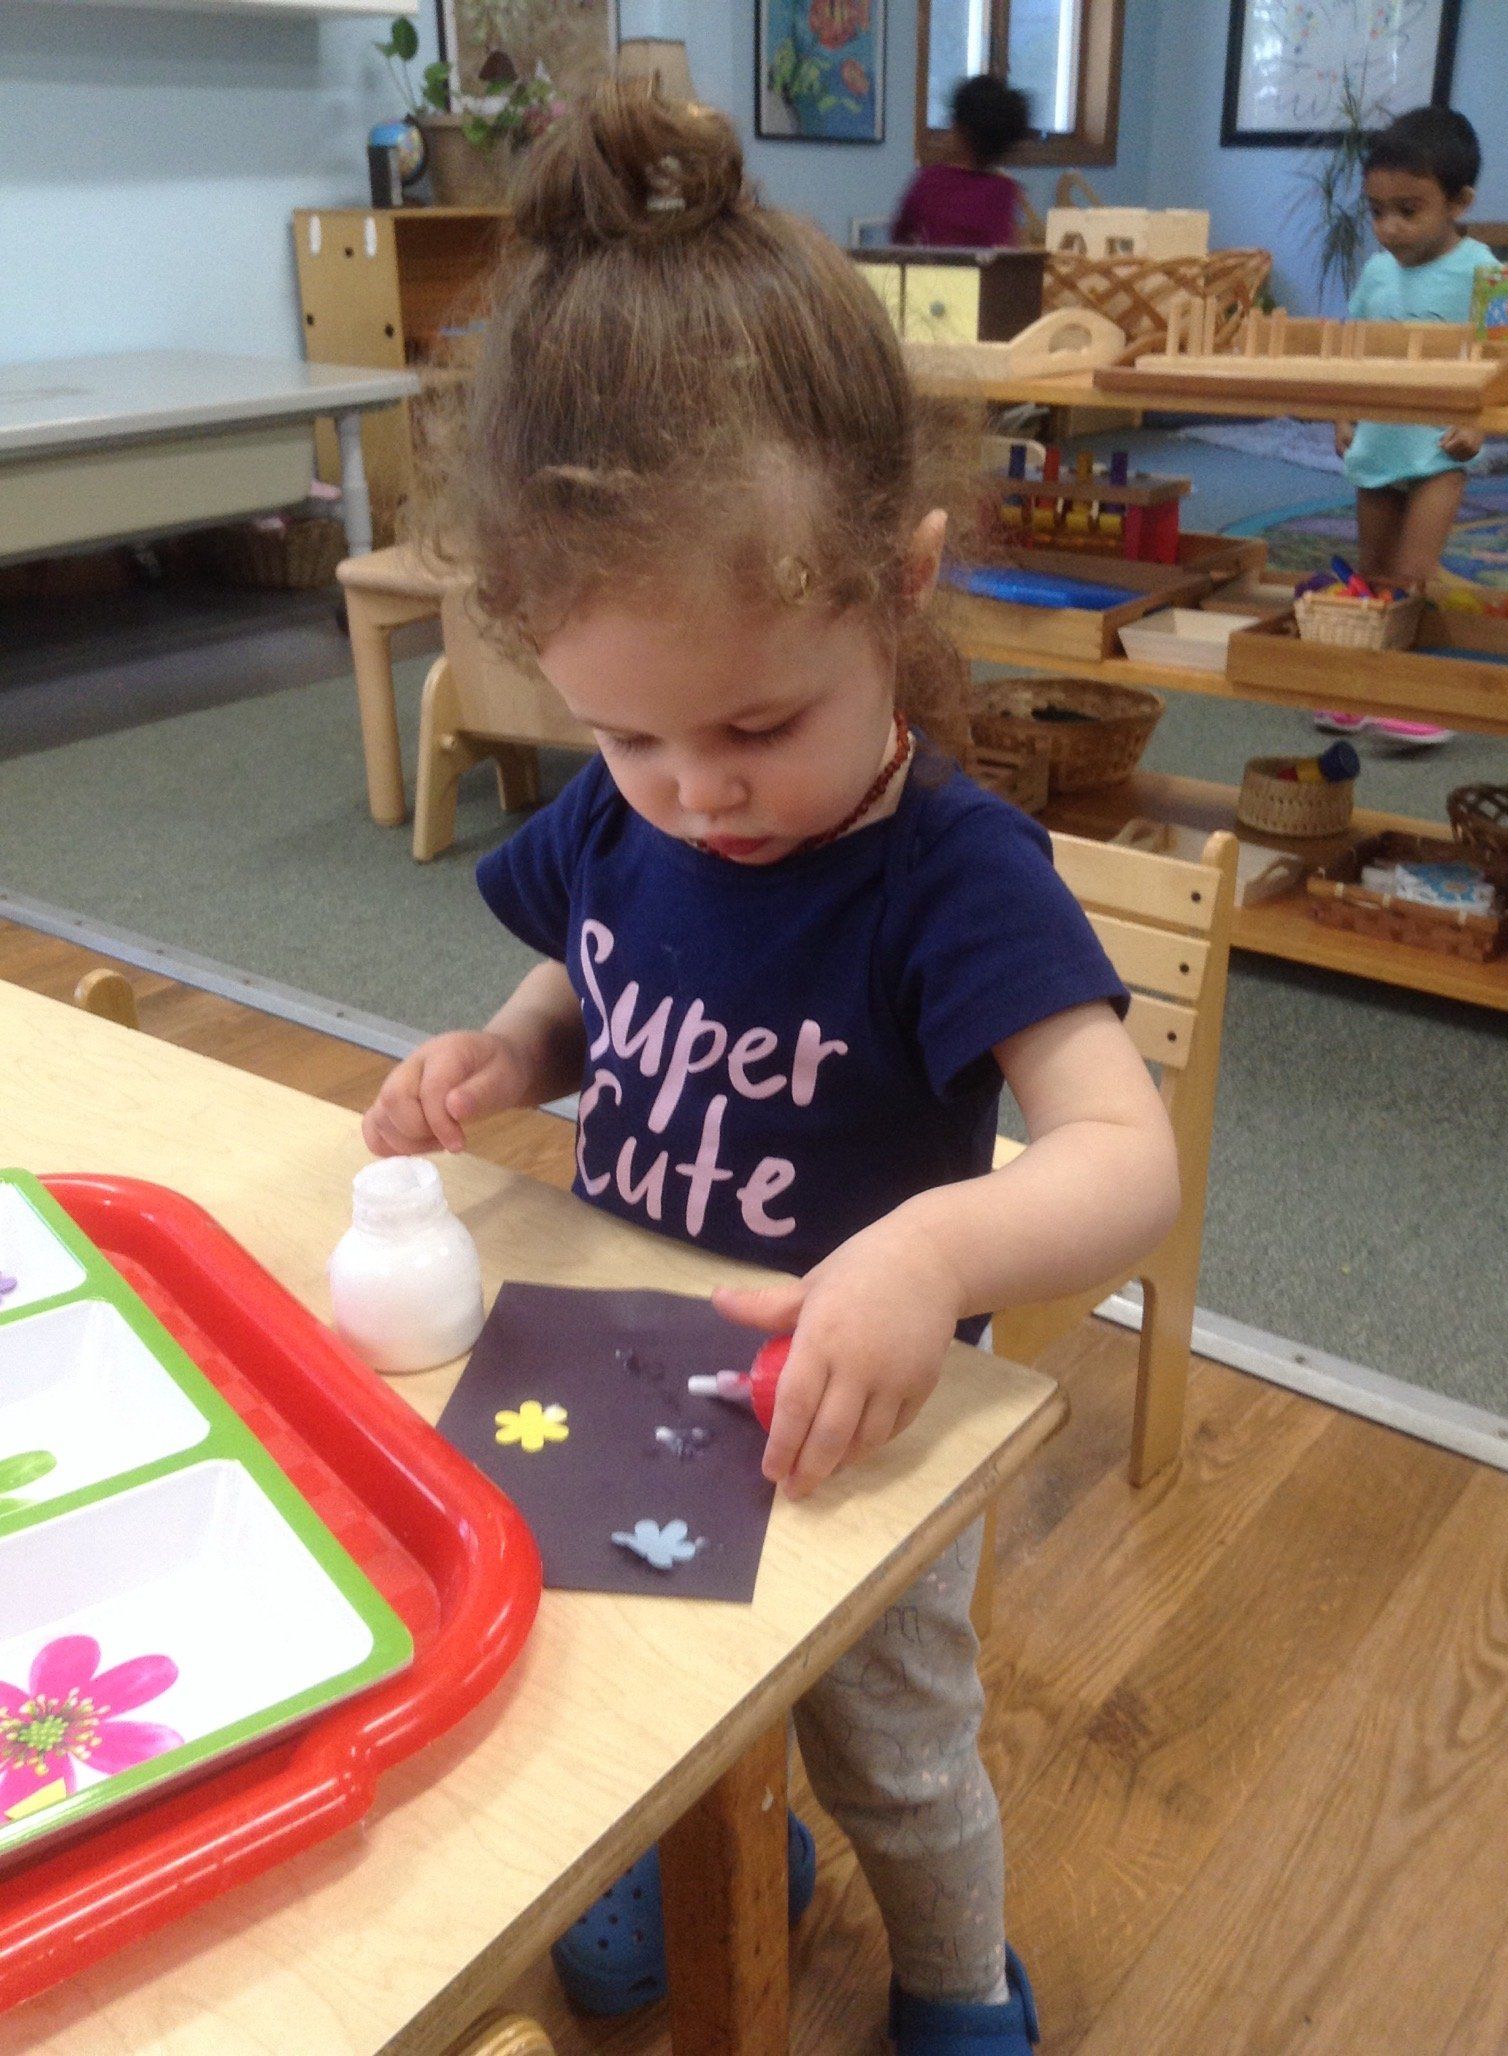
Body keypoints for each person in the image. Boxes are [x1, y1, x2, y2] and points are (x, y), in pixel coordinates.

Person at [363, 81, 1179, 2055]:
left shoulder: (948, 866)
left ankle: (951, 1972)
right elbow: (591, 971)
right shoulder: (636, 820)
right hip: (632, 1357)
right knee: (628, 1686)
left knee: (893, 1745)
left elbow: (1119, 1156)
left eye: (753, 722)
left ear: (895, 589)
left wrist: (918, 1256)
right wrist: (498, 1047)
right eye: (627, 740)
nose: (693, 794)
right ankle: (716, 1850)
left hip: (862, 1404)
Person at [1319, 105, 1497, 746]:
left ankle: (1407, 693)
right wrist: (1343, 413)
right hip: (1377, 447)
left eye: (1409, 210)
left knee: (1410, 579)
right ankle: (1362, 688)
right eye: (1376, 211)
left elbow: (1505, 364)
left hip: (1437, 455)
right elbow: (1353, 348)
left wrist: (1478, 425)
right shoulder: (1374, 272)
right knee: (1371, 578)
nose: (1388, 228)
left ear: (1459, 202)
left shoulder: (1485, 272)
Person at [892, 74, 1033, 248]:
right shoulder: (1004, 191)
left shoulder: (929, 181)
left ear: (960, 130)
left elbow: (899, 238)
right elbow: (1009, 250)